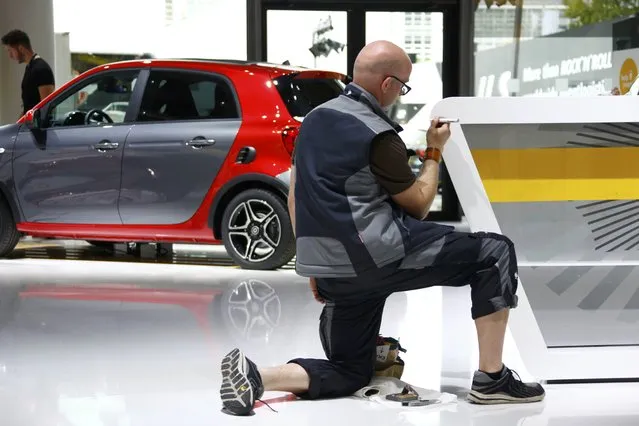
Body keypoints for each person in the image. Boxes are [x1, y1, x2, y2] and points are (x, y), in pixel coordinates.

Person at [219, 40, 545, 415]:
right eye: (403, 85)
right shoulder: (378, 133)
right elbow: (419, 205)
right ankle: (493, 378)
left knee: (349, 371)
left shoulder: (312, 123)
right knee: (494, 252)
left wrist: (313, 263)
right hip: (378, 256)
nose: (401, 93)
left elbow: (297, 193)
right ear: (388, 84)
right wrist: (434, 151)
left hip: (331, 269)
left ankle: (256, 375)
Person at [1, 29, 55, 116]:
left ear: (21, 48)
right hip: (29, 126)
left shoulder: (41, 69)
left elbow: (46, 106)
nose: (10, 56)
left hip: (37, 127)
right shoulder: (30, 68)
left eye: (10, 51)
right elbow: (29, 105)